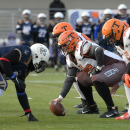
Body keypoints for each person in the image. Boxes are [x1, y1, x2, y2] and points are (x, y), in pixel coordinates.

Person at [52, 22, 123, 113]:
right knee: (80, 78)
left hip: (114, 64)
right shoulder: (70, 56)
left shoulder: (81, 45)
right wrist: (60, 98)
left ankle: (112, 109)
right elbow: (69, 77)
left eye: (64, 45)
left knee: (95, 77)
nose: (62, 47)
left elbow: (98, 51)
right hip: (103, 65)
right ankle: (90, 105)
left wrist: (98, 68)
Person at [0, 43, 50, 121]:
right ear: (37, 56)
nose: (41, 65)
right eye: (41, 62)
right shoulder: (26, 52)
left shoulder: (26, 68)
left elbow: (21, 91)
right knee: (2, 84)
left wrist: (28, 113)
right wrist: (14, 78)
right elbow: (3, 61)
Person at [102, 18, 130, 120]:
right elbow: (128, 63)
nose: (110, 40)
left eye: (110, 37)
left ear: (117, 32)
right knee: (126, 78)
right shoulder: (119, 45)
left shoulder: (128, 35)